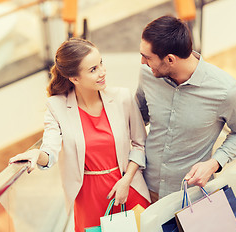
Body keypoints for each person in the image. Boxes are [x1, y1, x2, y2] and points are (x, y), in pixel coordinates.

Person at [9, 38, 150, 231]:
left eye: (101, 63)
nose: (102, 72)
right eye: (93, 69)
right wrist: (37, 155)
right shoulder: (56, 107)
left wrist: (126, 181)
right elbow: (50, 150)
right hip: (89, 200)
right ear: (74, 78)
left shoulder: (122, 98)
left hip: (128, 188)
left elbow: (140, 144)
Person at [136, 15, 236, 203]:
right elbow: (138, 117)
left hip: (189, 198)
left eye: (147, 57)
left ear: (170, 59)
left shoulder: (225, 90)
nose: (143, 62)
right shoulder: (148, 75)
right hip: (144, 188)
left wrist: (214, 163)